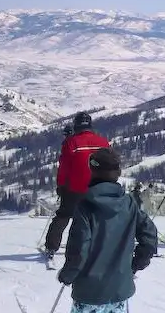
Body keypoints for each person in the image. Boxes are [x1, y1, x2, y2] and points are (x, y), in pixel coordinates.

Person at [57, 148, 158, 313]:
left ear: (92, 171)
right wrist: (135, 265)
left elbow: (79, 250)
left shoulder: (86, 206)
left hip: (89, 292)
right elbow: (149, 236)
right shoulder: (129, 203)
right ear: (118, 172)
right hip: (119, 288)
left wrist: (67, 275)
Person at [43, 111, 110, 259]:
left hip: (75, 187)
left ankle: (51, 246)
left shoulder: (71, 143)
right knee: (97, 218)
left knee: (63, 216)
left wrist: (61, 185)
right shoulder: (103, 142)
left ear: (76, 125)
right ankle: (101, 246)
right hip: (99, 188)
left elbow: (64, 167)